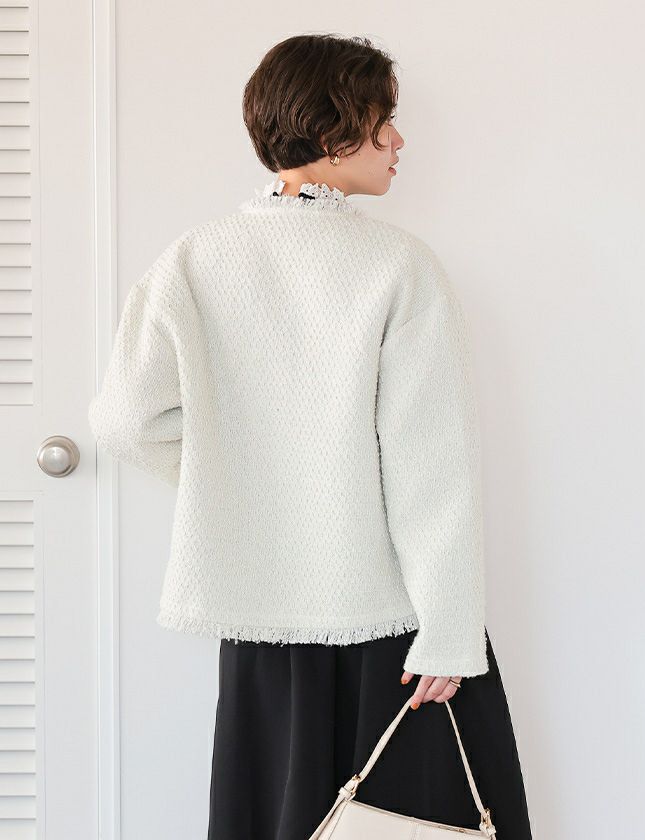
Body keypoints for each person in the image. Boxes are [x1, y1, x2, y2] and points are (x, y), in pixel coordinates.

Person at [88, 32, 532, 840]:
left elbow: (124, 421)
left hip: (259, 622)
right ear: (333, 131)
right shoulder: (397, 266)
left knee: (277, 818)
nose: (398, 140)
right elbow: (430, 469)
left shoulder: (194, 259)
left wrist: (244, 484)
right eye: (383, 121)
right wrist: (450, 632)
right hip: (390, 622)